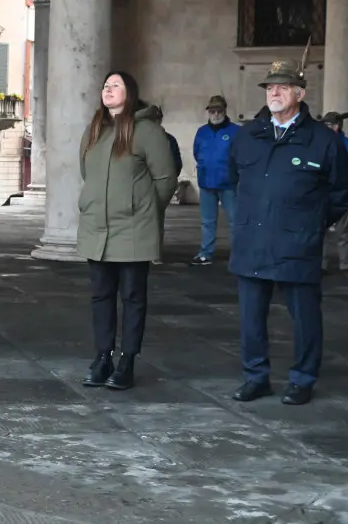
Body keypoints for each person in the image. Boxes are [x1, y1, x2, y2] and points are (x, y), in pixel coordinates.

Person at [227, 57, 348, 406]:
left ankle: (303, 379)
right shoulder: (247, 135)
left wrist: (314, 221)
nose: (275, 93)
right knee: (251, 318)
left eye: (283, 87)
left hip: (298, 243)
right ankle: (255, 377)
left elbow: (343, 190)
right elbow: (233, 176)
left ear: (300, 93)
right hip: (253, 240)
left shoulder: (323, 140)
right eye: (270, 87)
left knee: (305, 317)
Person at [78, 73, 178, 391]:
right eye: (105, 85)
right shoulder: (95, 129)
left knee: (133, 297)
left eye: (115, 85)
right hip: (98, 228)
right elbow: (86, 172)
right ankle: (103, 356)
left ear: (130, 93)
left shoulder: (147, 131)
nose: (108, 89)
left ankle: (127, 360)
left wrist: (143, 209)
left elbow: (165, 179)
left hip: (134, 229)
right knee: (101, 295)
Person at [191, 94, 239, 267]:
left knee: (235, 220)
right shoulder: (202, 132)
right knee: (207, 222)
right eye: (212, 111)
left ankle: (239, 254)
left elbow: (241, 155)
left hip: (229, 183)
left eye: (219, 110)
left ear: (225, 111)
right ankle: (206, 253)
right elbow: (196, 153)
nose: (216, 114)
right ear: (208, 112)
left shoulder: (236, 132)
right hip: (206, 182)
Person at [319, 111, 348, 277]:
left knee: (343, 233)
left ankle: (345, 264)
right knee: (321, 232)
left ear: (337, 126)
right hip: (323, 195)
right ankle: (321, 264)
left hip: (343, 195)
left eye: (329, 125)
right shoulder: (320, 145)